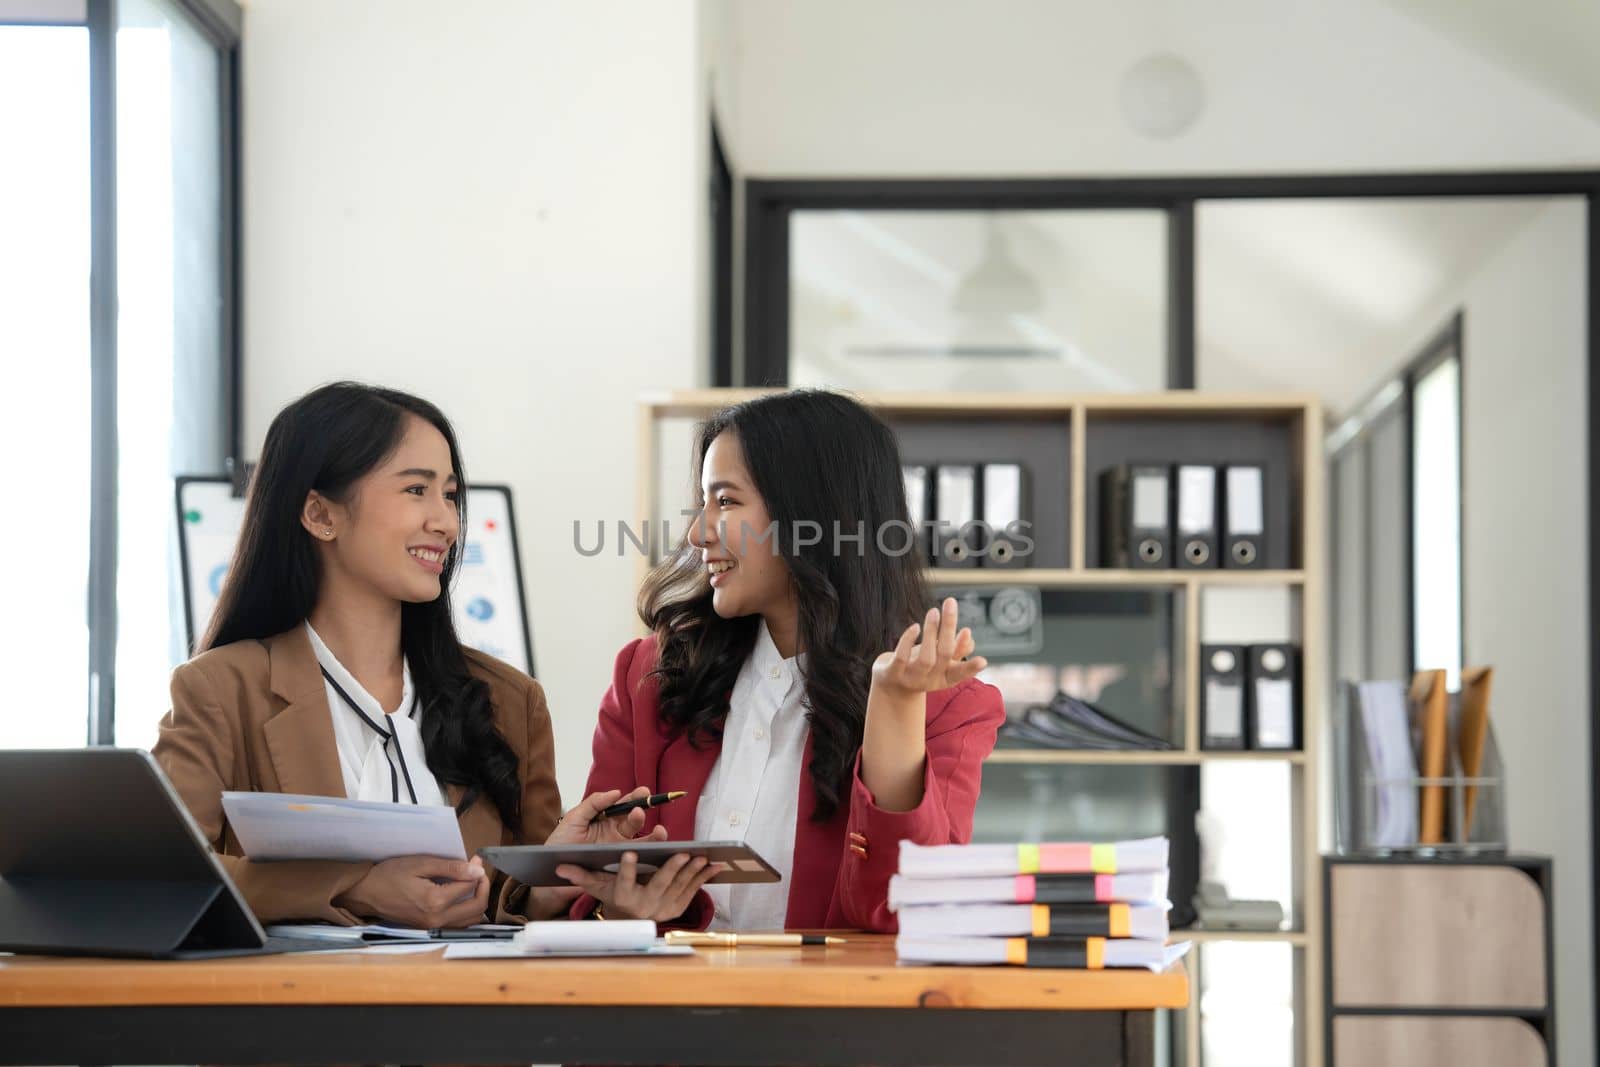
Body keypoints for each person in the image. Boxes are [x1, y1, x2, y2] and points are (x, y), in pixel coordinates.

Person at [154, 382, 653, 928]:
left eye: (450, 495)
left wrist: (551, 882)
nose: (446, 522)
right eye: (417, 490)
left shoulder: (511, 701)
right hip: (299, 1008)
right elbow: (160, 876)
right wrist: (352, 887)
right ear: (320, 514)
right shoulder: (222, 690)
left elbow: (520, 910)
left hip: (477, 1008)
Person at [557, 389, 1006, 931]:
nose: (698, 533)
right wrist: (617, 910)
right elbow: (585, 892)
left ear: (810, 515)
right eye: (703, 503)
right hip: (662, 1008)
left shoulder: (948, 707)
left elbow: (902, 913)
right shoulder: (648, 676)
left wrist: (894, 707)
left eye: (725, 502)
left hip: (829, 1013)